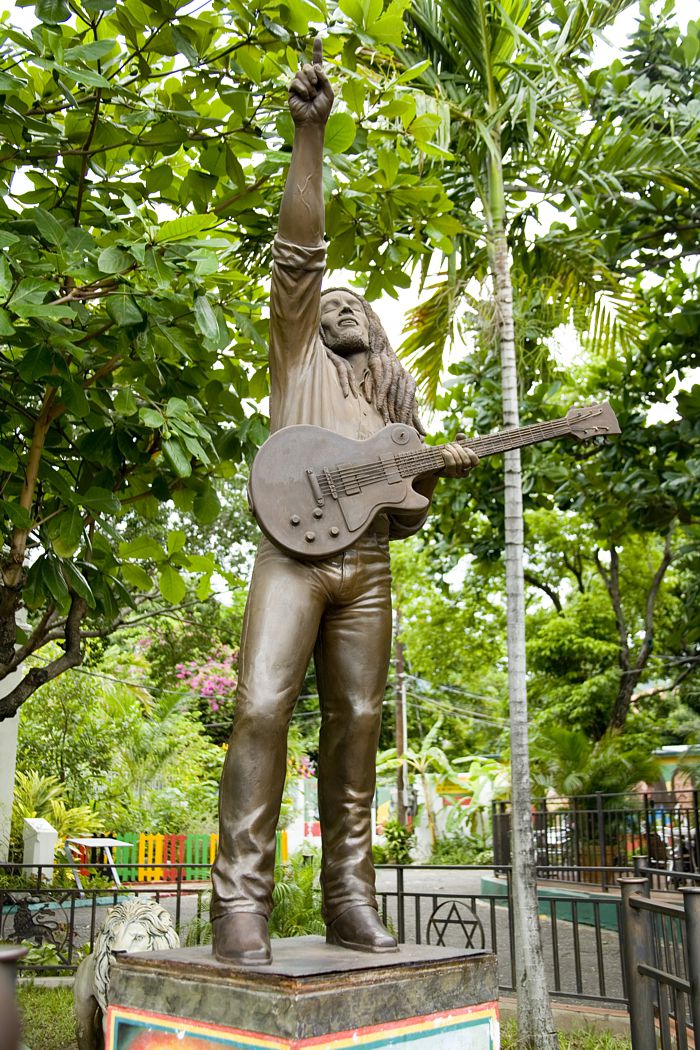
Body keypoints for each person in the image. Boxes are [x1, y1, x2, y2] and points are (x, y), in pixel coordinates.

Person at [210, 38, 478, 966]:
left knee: (359, 722)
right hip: (291, 557)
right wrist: (309, 139)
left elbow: (408, 506)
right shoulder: (298, 363)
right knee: (260, 705)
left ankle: (349, 898)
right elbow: (299, 255)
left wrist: (441, 469)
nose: (340, 308)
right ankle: (238, 903)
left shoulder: (389, 410)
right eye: (330, 304)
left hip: (369, 570)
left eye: (358, 304)